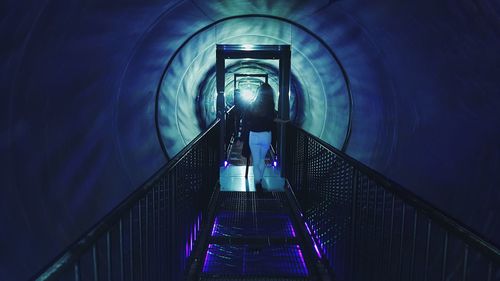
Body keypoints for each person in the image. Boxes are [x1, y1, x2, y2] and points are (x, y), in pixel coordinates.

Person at [245, 83, 276, 191]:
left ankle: (257, 182)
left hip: (254, 135)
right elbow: (272, 120)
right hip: (266, 136)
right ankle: (260, 179)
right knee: (262, 159)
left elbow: (246, 120)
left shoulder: (252, 104)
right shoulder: (271, 105)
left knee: (256, 160)